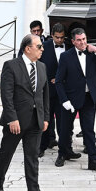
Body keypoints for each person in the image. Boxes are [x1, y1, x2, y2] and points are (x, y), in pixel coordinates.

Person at [0, 34, 54, 191]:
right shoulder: (11, 65)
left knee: (32, 157)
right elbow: (6, 95)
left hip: (36, 121)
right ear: (28, 48)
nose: (42, 49)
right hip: (16, 122)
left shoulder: (42, 67)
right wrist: (12, 118)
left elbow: (45, 95)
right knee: (6, 153)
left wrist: (46, 117)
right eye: (39, 46)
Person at [54, 28, 96, 171]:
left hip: (89, 98)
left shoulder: (92, 54)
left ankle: (93, 160)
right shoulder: (65, 56)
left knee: (88, 130)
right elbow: (58, 81)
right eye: (79, 40)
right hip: (71, 99)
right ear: (73, 41)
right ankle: (62, 154)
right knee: (65, 129)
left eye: (84, 39)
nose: (82, 42)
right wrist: (64, 100)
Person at [38, 24, 68, 155]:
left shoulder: (70, 46)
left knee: (63, 122)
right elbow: (38, 65)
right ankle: (41, 147)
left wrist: (61, 78)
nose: (60, 40)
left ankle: (64, 149)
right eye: (57, 37)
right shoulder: (44, 46)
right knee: (46, 119)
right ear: (52, 36)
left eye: (62, 37)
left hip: (64, 91)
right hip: (47, 90)